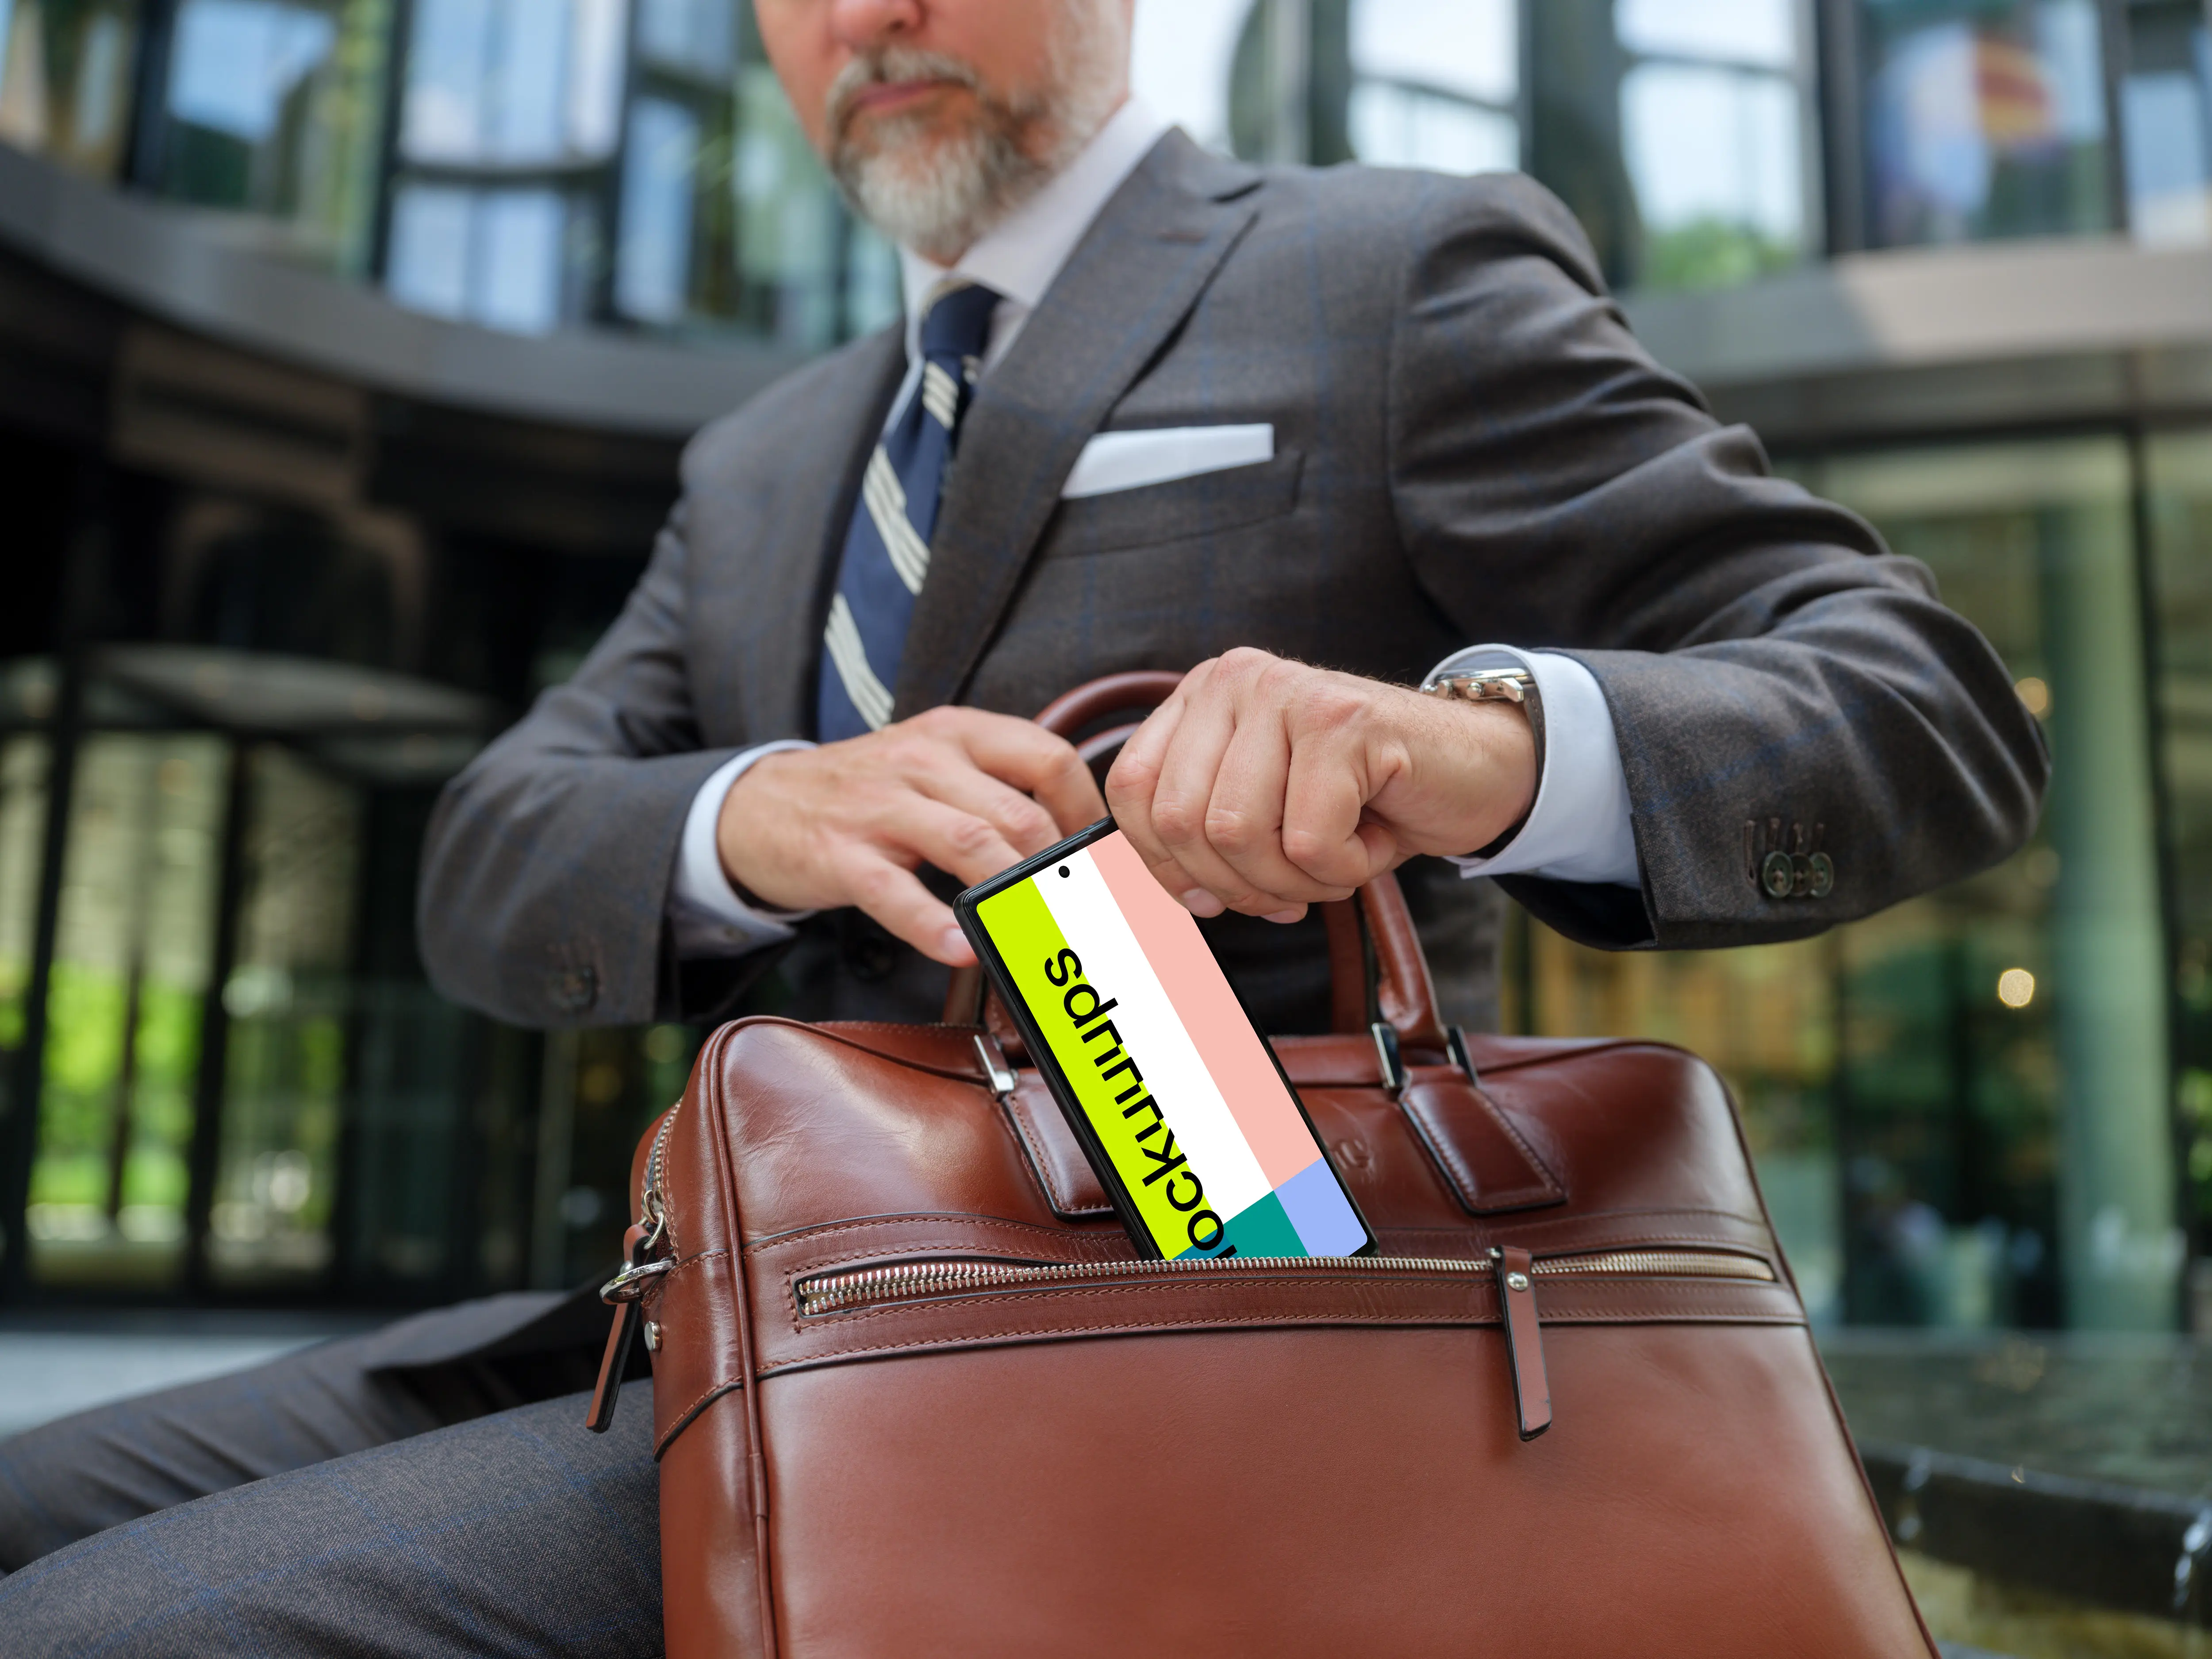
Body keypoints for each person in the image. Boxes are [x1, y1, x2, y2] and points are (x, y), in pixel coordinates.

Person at [0, 0, 2046, 1651]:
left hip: (1214, 1343)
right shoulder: (757, 463)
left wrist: (1482, 741)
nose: (865, 16)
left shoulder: (1392, 271)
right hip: (725, 1302)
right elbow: (487, 858)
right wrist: (750, 811)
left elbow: (1919, 706)